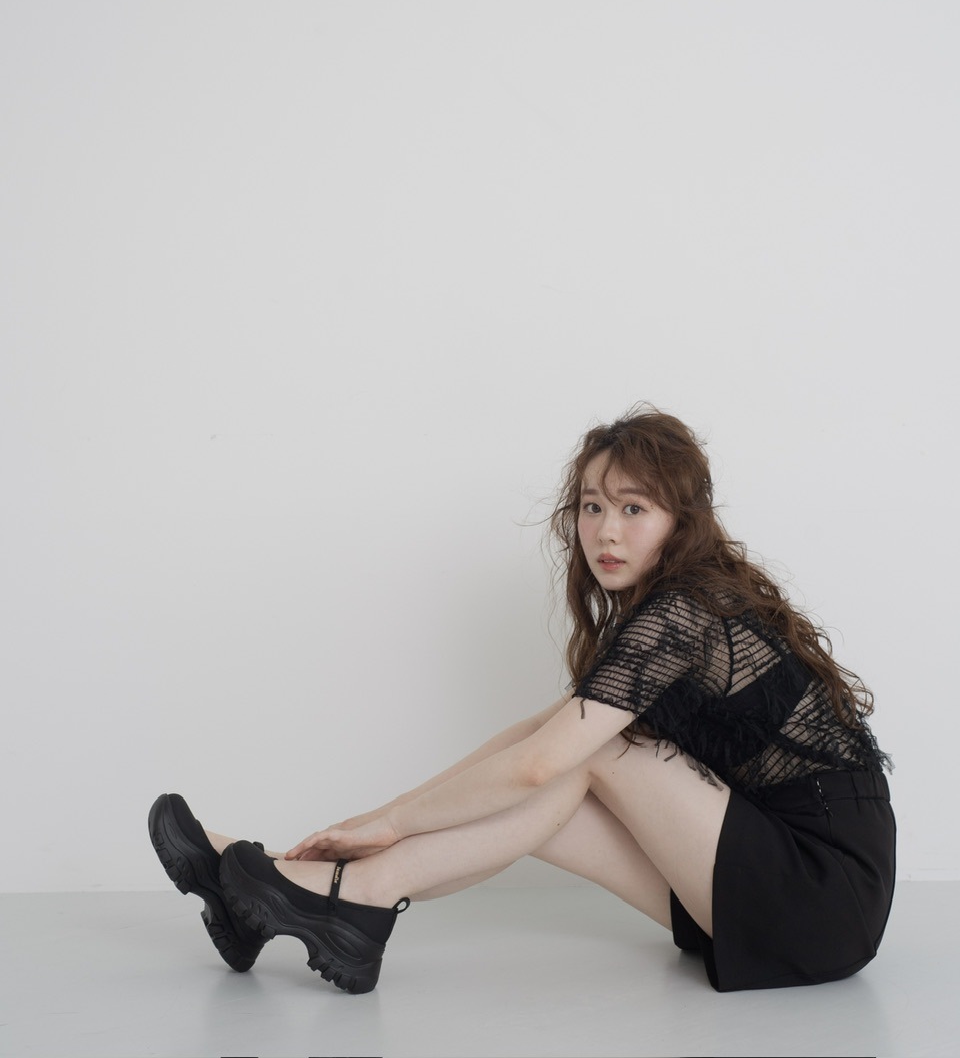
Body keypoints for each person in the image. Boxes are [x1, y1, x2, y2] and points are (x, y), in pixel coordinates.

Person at [149, 406, 895, 994]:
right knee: (550, 798)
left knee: (583, 759)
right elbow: (533, 739)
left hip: (820, 893)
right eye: (593, 506)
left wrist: (388, 823)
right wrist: (373, 820)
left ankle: (330, 894)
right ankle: (286, 888)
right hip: (755, 885)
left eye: (634, 509)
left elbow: (541, 763)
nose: (605, 531)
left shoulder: (687, 612)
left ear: (681, 522)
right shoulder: (663, 612)